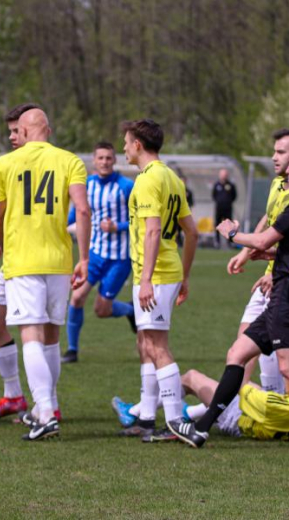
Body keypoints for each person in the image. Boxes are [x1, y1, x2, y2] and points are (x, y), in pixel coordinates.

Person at [168, 143, 289, 449]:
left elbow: (261, 236)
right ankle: (202, 428)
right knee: (238, 354)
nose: (286, 168)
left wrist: (232, 233)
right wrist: (269, 255)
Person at [0, 108, 91, 440]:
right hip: (59, 260)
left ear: (22, 130)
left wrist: (4, 247)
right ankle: (49, 405)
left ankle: (45, 412)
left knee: (30, 335)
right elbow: (83, 209)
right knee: (51, 338)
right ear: (48, 128)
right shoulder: (71, 161)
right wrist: (84, 258)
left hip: (23, 262)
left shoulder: (5, 164)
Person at [120, 118, 198, 442]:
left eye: (125, 142)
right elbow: (192, 231)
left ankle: (177, 420)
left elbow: (152, 229)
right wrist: (185, 276)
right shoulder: (172, 178)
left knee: (155, 345)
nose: (123, 147)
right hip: (164, 272)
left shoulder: (149, 180)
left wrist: (148, 279)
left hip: (155, 274)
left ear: (138, 144)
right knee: (144, 342)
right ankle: (148, 418)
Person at [228, 129, 289, 395]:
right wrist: (244, 252)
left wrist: (276, 275)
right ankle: (255, 404)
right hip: (271, 275)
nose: (274, 157)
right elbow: (268, 218)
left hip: (287, 281)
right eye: (274, 151)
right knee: (248, 347)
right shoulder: (277, 184)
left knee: (279, 354)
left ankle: (232, 410)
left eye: (281, 152)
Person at [0, 102, 41, 421]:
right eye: (11, 131)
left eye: (17, 130)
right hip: (13, 257)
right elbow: (12, 218)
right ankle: (14, 396)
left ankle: (45, 406)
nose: (13, 136)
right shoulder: (11, 165)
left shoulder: (44, 164)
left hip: (36, 262)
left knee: (37, 334)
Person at [180, 326, 289, 441]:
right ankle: (191, 412)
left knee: (191, 377)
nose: (284, 371)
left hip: (238, 419)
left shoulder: (270, 404)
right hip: (278, 420)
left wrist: (255, 345)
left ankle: (170, 413)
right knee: (248, 388)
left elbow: (240, 384)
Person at [62, 141, 136, 364]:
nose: (104, 162)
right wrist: (57, 227)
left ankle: (130, 311)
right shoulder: (86, 185)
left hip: (119, 259)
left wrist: (118, 227)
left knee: (101, 310)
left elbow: (142, 221)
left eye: (108, 158)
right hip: (93, 254)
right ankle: (72, 350)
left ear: (115, 160)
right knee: (76, 298)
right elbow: (77, 214)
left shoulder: (126, 186)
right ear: (94, 161)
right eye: (100, 158)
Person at [212, 168, 237, 248]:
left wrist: (228, 202)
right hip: (219, 208)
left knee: (229, 225)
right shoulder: (216, 185)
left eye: (225, 174)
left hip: (228, 209)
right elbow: (214, 195)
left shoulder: (230, 185)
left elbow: (234, 196)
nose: (224, 176)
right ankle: (217, 241)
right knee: (217, 224)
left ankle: (230, 242)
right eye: (222, 174)